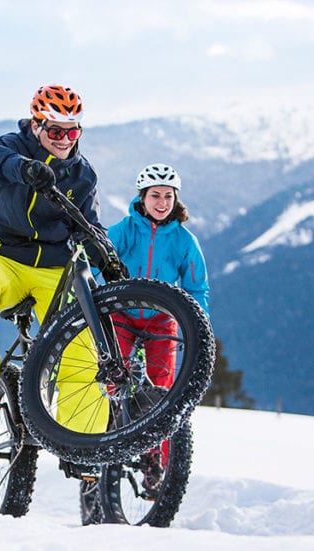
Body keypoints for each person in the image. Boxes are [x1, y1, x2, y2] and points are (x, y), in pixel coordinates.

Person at [0, 83, 124, 434]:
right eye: (56, 130)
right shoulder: (3, 148)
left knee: (80, 346)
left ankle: (82, 441)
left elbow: (89, 224)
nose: (65, 139)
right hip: (2, 258)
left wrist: (107, 257)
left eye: (73, 131)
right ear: (36, 126)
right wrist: (24, 169)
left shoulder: (81, 174)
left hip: (53, 269)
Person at [107, 163, 210, 489]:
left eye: (168, 196)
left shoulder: (184, 240)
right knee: (112, 376)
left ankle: (155, 458)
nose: (162, 202)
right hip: (122, 315)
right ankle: (106, 435)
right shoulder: (124, 230)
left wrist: (197, 326)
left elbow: (196, 288)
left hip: (161, 319)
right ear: (142, 197)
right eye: (155, 195)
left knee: (162, 390)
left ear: (176, 199)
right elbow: (98, 263)